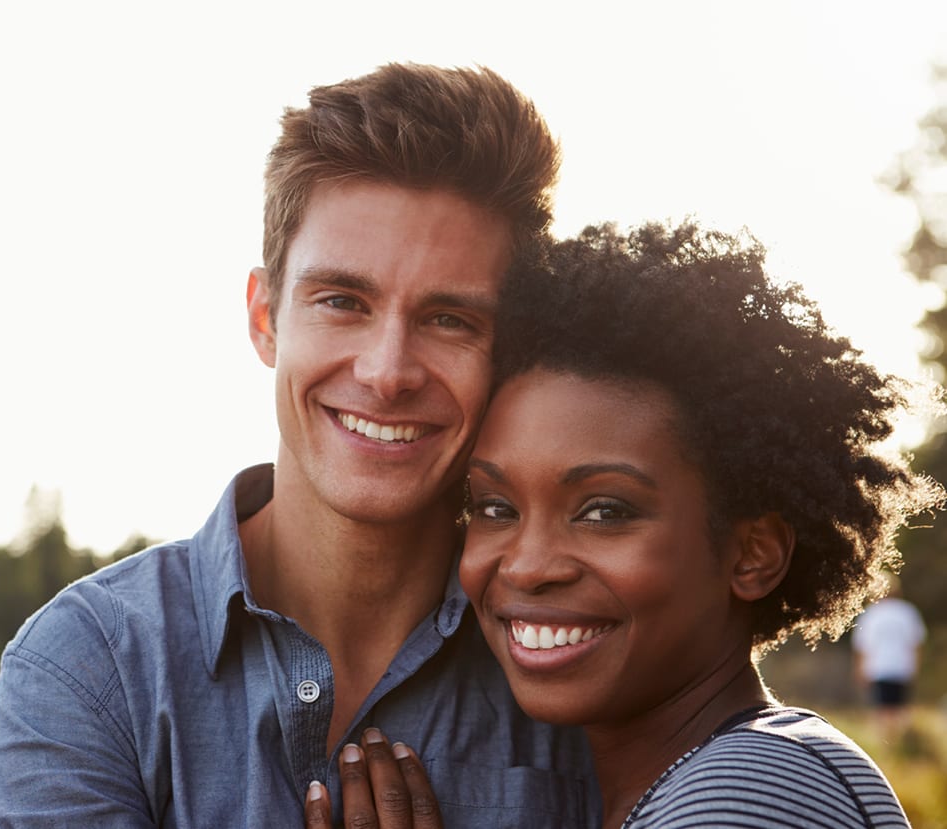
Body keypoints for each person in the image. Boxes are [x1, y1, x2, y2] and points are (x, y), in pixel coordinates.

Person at [0, 63, 599, 827]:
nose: (387, 372)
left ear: (509, 351)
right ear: (265, 316)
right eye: (343, 300)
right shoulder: (89, 667)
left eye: (449, 319)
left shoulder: (579, 651)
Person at [308, 222, 941, 828]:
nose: (527, 564)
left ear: (753, 554)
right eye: (495, 507)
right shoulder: (689, 780)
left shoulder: (747, 792)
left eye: (605, 511)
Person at [853, 572, 927, 743]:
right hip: (902, 668)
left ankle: (885, 744)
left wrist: (860, 671)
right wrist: (915, 668)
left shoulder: (870, 615)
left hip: (878, 669)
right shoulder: (908, 612)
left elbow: (863, 648)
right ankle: (901, 744)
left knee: (881, 710)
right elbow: (916, 644)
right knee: (901, 709)